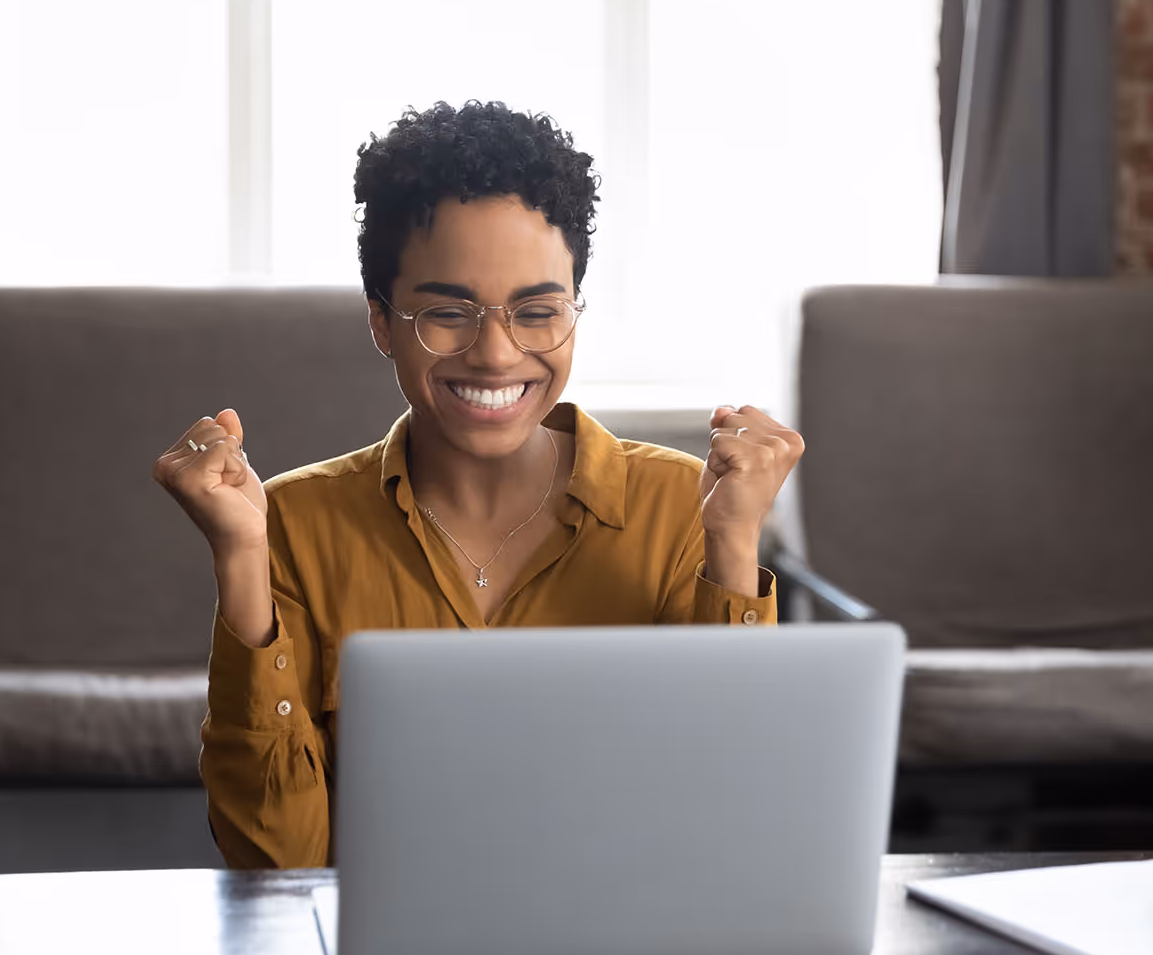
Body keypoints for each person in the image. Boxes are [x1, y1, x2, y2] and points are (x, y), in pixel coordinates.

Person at [152, 100, 805, 868]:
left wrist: (732, 547)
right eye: (447, 312)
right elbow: (279, 866)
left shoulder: (680, 507)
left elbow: (732, 830)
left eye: (537, 311)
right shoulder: (291, 522)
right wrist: (239, 557)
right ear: (381, 322)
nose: (497, 355)